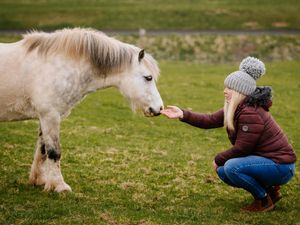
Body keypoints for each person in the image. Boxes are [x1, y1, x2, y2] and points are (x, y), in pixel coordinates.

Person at [160, 57, 296, 212]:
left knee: (231, 167)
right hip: (268, 162)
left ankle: (263, 199)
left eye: (229, 88)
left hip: (281, 166)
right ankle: (271, 192)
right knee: (223, 171)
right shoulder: (237, 107)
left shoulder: (250, 113)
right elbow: (210, 120)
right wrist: (182, 114)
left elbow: (242, 149)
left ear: (240, 91)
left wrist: (218, 159)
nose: (225, 91)